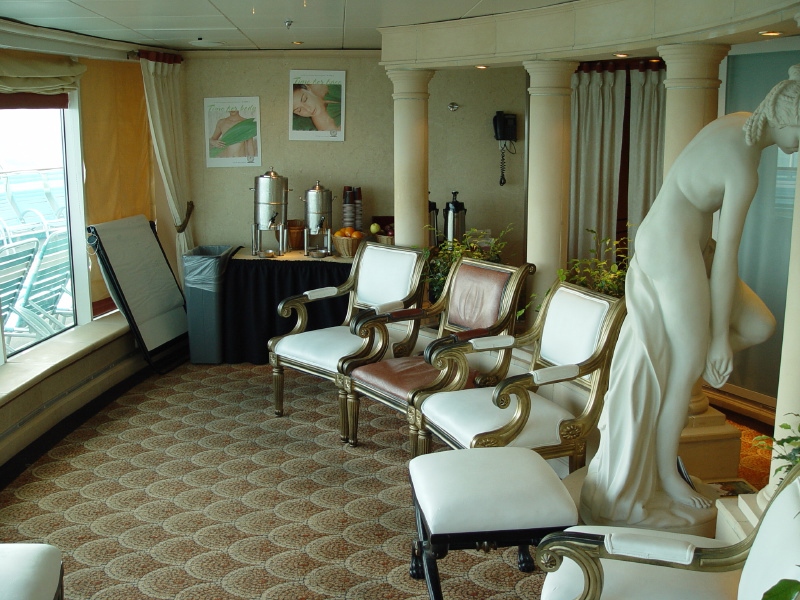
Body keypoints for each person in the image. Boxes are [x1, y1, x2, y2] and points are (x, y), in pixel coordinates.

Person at [580, 65, 800, 527]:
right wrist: (715, 339)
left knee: (759, 325)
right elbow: (728, 258)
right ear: (786, 119)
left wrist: (712, 342)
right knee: (689, 364)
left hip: (689, 245)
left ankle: (679, 369)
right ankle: (667, 473)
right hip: (671, 247)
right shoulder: (744, 169)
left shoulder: (741, 121)